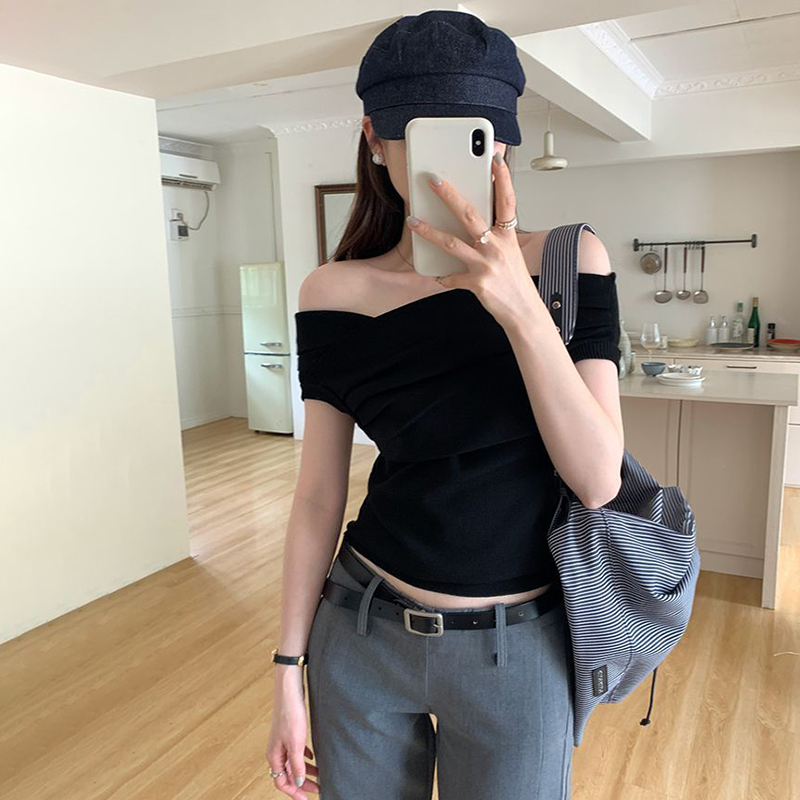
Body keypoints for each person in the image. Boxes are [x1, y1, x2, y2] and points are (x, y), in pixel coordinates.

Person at [265, 10, 624, 800]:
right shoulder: (333, 292)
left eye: (481, 135)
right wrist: (287, 669)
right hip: (361, 634)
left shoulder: (567, 262)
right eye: (427, 134)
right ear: (375, 137)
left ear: (506, 143)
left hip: (520, 650)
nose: (464, 160)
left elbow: (600, 479)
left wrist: (517, 305)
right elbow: (318, 494)